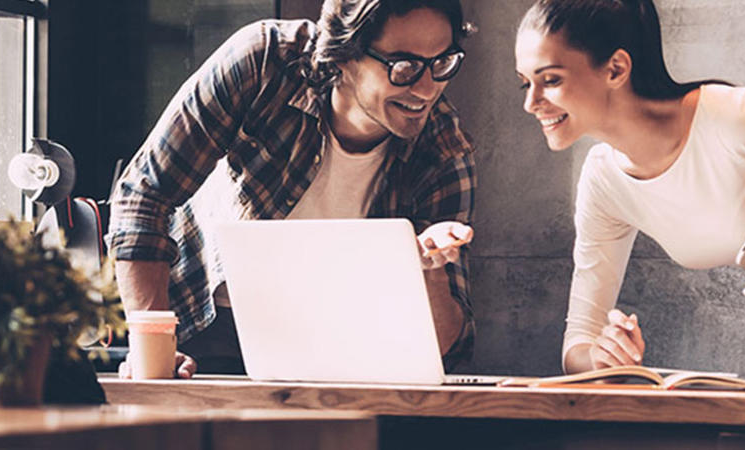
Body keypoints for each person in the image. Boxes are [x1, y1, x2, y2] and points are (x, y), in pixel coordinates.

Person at [107, 0, 478, 377]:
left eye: (442, 62)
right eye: (405, 67)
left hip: (346, 347)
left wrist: (430, 268)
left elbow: (448, 344)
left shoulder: (443, 148)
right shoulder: (265, 62)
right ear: (343, 57)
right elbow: (146, 193)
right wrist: (151, 343)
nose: (428, 88)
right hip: (209, 323)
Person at [514, 0, 745, 374]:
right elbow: (578, 342)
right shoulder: (604, 181)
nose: (530, 103)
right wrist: (601, 357)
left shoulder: (734, 117)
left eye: (551, 80)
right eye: (525, 82)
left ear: (616, 68)